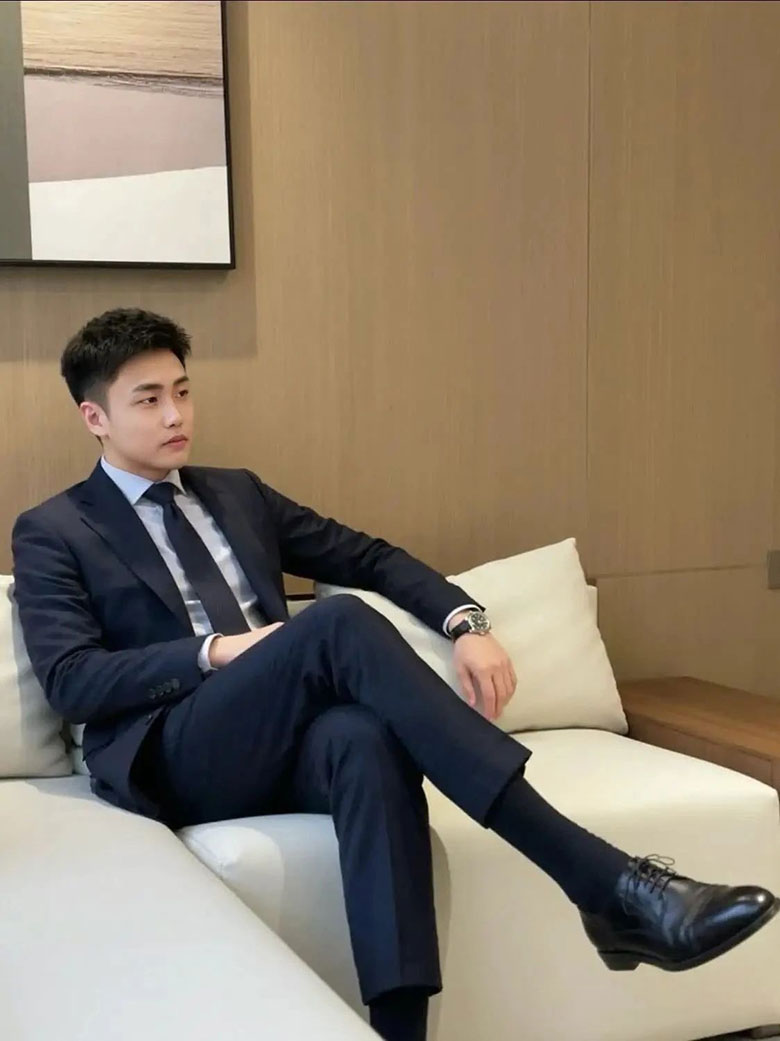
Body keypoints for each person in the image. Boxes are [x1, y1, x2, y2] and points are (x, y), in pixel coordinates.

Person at [12, 308, 778, 1041]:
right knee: (335, 622)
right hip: (173, 751)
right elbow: (73, 680)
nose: (176, 414)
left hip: (280, 737)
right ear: (95, 416)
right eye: (148, 399)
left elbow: (368, 557)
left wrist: (466, 623)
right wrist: (216, 651)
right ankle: (605, 881)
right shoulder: (55, 530)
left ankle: (400, 1030)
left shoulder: (235, 493)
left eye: (183, 391)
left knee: (363, 739)